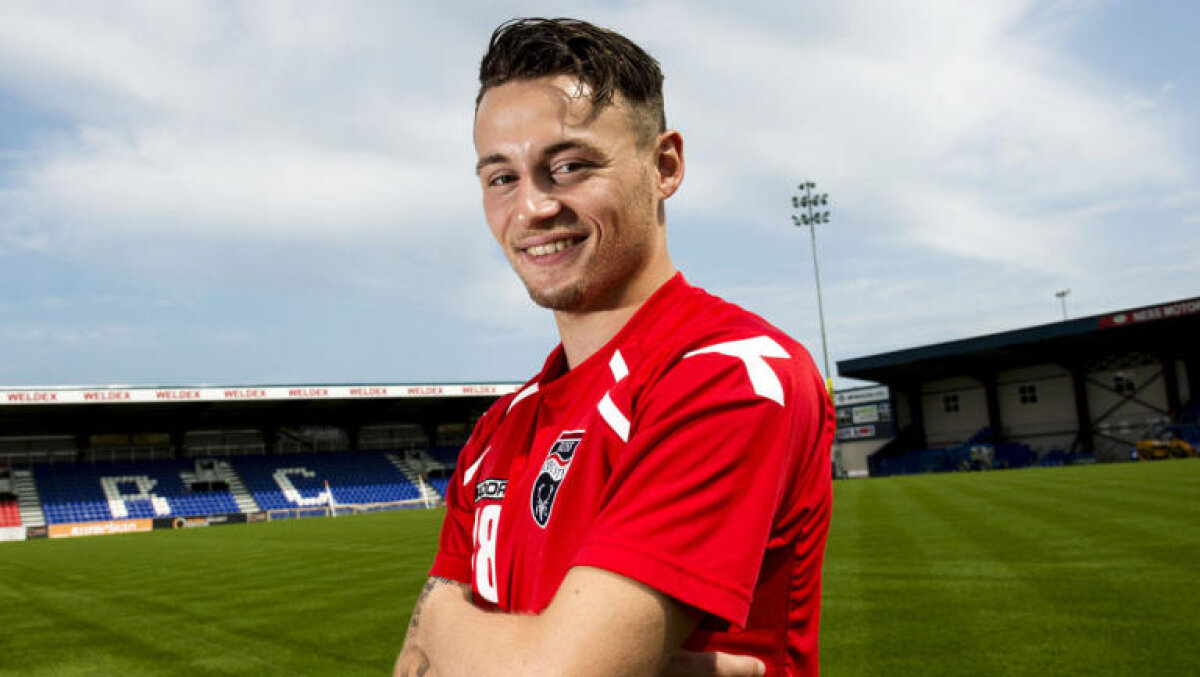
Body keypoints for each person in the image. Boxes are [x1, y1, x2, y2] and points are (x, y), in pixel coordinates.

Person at [395, 17, 833, 677]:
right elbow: (412, 667)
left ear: (664, 165)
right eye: (501, 178)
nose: (532, 207)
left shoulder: (733, 375)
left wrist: (440, 619)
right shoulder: (498, 431)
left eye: (568, 166)